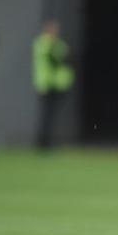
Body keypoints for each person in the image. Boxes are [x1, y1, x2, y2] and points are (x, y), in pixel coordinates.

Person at [32, 20, 74, 149]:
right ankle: (43, 142)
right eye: (52, 30)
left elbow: (67, 58)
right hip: (46, 84)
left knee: (52, 115)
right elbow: (50, 61)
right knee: (46, 115)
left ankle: (49, 141)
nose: (55, 32)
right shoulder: (43, 44)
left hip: (58, 84)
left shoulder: (58, 44)